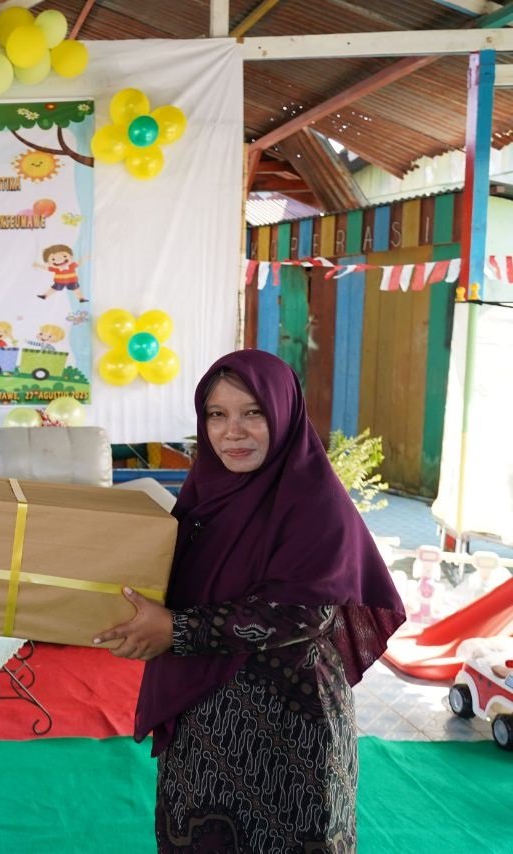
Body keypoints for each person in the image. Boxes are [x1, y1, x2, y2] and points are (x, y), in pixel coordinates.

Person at [96, 349, 405, 852]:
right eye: (217, 415)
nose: (232, 432)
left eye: (253, 413)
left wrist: (175, 629)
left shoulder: (316, 503)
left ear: (283, 413)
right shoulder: (205, 497)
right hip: (205, 718)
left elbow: (303, 611)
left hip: (290, 726)